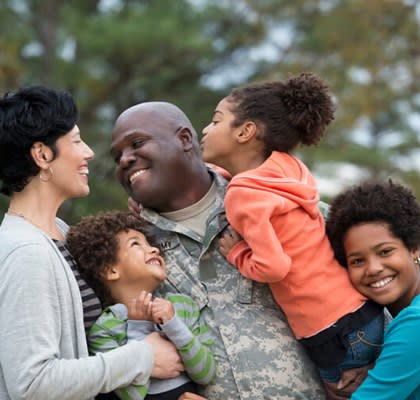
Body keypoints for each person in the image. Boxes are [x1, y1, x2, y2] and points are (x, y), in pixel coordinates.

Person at [110, 98, 373, 399]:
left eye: (137, 143)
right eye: (117, 156)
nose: (125, 160)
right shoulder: (134, 247)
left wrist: (376, 361)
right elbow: (119, 338)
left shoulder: (277, 205)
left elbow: (375, 283)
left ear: (184, 139)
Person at [0, 86, 183, 400]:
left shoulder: (58, 232)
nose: (88, 152)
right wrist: (142, 357)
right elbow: (33, 383)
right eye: (75, 141)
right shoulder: (25, 253)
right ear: (43, 155)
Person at [200, 72, 385, 393]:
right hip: (366, 316)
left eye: (216, 121)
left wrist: (237, 254)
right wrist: (218, 170)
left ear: (245, 131)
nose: (205, 129)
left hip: (329, 333)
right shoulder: (286, 169)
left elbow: (274, 267)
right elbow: (253, 180)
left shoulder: (243, 196)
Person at [326, 180, 420, 399]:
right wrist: (376, 370)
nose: (373, 269)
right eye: (357, 261)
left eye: (385, 252)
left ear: (414, 248)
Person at [66, 210, 216, 399]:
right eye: (136, 243)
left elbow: (206, 374)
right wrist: (137, 327)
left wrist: (174, 325)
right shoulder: (104, 329)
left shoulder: (182, 306)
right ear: (111, 270)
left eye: (149, 243)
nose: (154, 249)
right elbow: (131, 395)